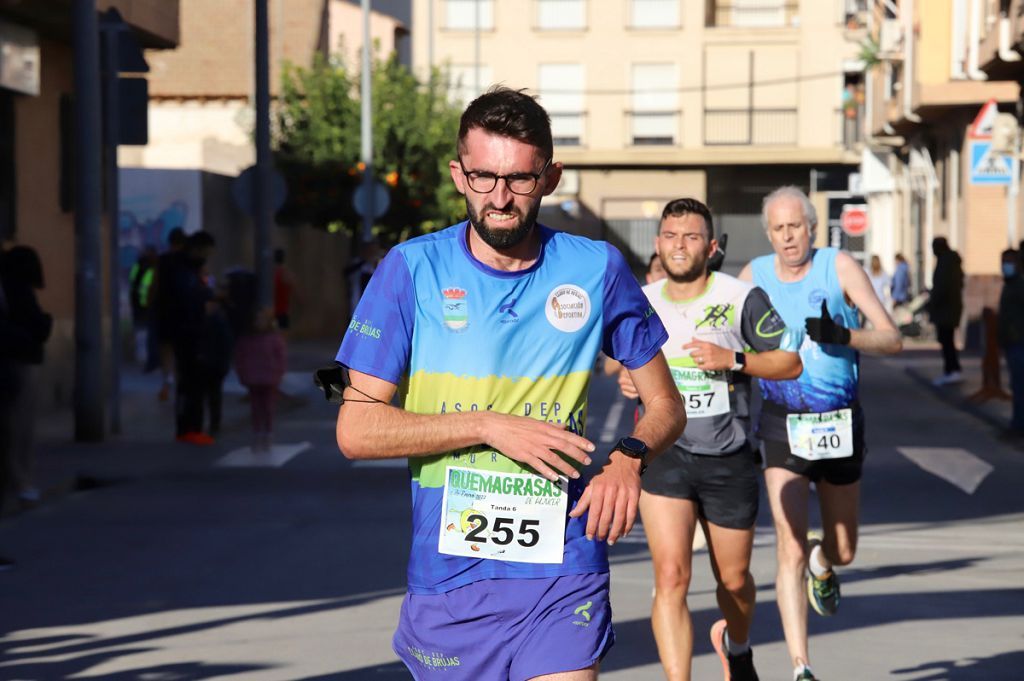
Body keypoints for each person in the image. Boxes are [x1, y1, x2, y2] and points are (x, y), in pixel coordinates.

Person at [333, 86, 684, 681]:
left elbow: (666, 405)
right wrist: (488, 426)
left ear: (550, 177)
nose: (499, 197)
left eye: (519, 180)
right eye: (483, 177)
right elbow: (356, 430)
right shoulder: (410, 270)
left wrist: (629, 458)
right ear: (458, 174)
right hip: (449, 579)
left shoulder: (595, 267)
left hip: (563, 565)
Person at [618, 198, 801, 681]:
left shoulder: (740, 297)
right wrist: (628, 378)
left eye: (692, 236)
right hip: (665, 454)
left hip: (729, 457)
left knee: (734, 581)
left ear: (712, 246)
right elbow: (620, 364)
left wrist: (734, 360)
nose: (680, 246)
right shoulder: (641, 300)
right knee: (672, 577)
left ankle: (737, 647)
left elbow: (789, 362)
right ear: (657, 244)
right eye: (671, 236)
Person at [739, 186, 902, 681]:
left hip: (838, 422)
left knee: (844, 547)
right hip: (782, 424)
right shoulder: (754, 277)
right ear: (769, 234)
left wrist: (845, 336)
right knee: (786, 546)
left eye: (796, 227)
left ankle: (824, 560)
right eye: (779, 229)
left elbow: (892, 337)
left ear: (812, 228)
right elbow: (724, 336)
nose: (788, 237)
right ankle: (800, 665)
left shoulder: (840, 266)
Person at [0, 246, 53, 509]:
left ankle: (18, 480)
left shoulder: (10, 285)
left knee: (16, 426)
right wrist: (45, 322)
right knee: (20, 427)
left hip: (16, 359)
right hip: (19, 360)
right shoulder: (18, 289)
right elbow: (37, 325)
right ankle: (21, 481)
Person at [173, 231, 217, 445]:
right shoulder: (183, 270)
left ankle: (188, 428)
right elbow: (192, 297)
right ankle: (189, 428)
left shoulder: (185, 268)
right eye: (206, 252)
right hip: (188, 332)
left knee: (191, 383)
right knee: (193, 383)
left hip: (190, 331)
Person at [235, 308, 287, 452]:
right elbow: (240, 358)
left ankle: (267, 432)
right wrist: (242, 374)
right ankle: (258, 432)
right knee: (256, 407)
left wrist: (279, 373)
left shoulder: (274, 339)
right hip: (253, 377)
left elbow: (280, 358)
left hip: (269, 377)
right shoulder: (247, 339)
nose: (259, 323)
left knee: (268, 406)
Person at [151, 228, 188, 400]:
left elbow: (155, 284)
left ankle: (166, 384)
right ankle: (182, 385)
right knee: (183, 349)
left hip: (165, 309)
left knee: (166, 350)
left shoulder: (162, 260)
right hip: (185, 310)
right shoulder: (189, 260)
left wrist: (150, 302)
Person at [928, 237, 965, 386]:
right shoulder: (951, 262)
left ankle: (952, 370)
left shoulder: (946, 263)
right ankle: (951, 369)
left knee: (947, 340)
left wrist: (933, 303)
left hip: (946, 309)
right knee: (947, 340)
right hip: (950, 307)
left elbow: (942, 288)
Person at [998, 249, 1024, 435]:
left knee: (1019, 385)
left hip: (1019, 341)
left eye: (1009, 262)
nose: (1005, 266)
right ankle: (1017, 423)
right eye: (1003, 262)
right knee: (1016, 384)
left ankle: (1018, 425)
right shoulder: (1009, 284)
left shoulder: (1019, 286)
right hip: (1011, 341)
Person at [129, 246, 158, 366]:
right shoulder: (151, 267)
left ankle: (143, 356)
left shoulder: (142, 265)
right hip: (144, 304)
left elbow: (133, 280)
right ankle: (143, 356)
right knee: (143, 330)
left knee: (142, 330)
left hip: (142, 303)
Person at [273, 248, 298, 331]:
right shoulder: (286, 274)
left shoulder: (272, 274)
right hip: (283, 311)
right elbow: (294, 290)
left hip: (273, 312)